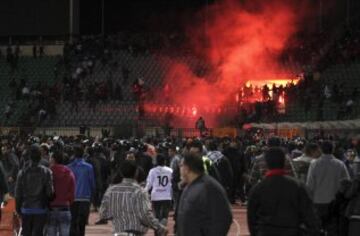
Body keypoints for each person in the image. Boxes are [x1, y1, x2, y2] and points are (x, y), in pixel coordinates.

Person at [247, 147, 321, 236]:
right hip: (292, 231)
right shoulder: (297, 186)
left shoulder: (258, 189)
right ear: (284, 162)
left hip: (266, 231)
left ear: (267, 163)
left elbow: (251, 219)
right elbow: (309, 215)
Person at [99, 160, 167, 236]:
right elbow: (145, 215)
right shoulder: (140, 191)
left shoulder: (111, 190)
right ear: (136, 173)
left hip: (117, 232)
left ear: (121, 173)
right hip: (135, 232)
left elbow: (103, 214)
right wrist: (159, 227)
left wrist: (117, 215)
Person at [177, 153, 232, 236]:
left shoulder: (210, 188)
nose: (179, 169)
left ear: (187, 168)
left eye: (181, 166)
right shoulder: (189, 187)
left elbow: (223, 218)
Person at [307, 141, 350, 236]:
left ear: (321, 150)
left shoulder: (314, 164)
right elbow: (346, 183)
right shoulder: (340, 164)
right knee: (333, 229)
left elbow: (310, 185)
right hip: (335, 202)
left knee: (318, 229)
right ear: (333, 149)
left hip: (318, 202)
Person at [15, 144, 54, 236]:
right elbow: (50, 192)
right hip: (41, 208)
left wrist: (18, 209)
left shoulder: (22, 173)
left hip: (26, 208)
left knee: (26, 233)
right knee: (39, 233)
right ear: (40, 157)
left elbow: (18, 193)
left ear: (29, 157)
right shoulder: (47, 172)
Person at [67, 145, 96, 236]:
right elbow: (92, 183)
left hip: (72, 198)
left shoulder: (69, 167)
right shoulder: (89, 167)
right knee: (82, 223)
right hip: (85, 197)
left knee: (72, 221)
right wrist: (92, 195)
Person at [48, 151, 75, 236]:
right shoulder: (69, 173)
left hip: (51, 208)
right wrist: (68, 201)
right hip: (64, 207)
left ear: (53, 159)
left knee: (51, 232)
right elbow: (72, 191)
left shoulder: (48, 172)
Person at [145, 154, 173, 233]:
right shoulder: (170, 170)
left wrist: (144, 192)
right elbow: (172, 183)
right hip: (166, 196)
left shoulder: (152, 171)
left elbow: (149, 184)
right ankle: (162, 231)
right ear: (164, 161)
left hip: (156, 196)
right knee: (164, 217)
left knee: (156, 216)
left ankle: (157, 231)